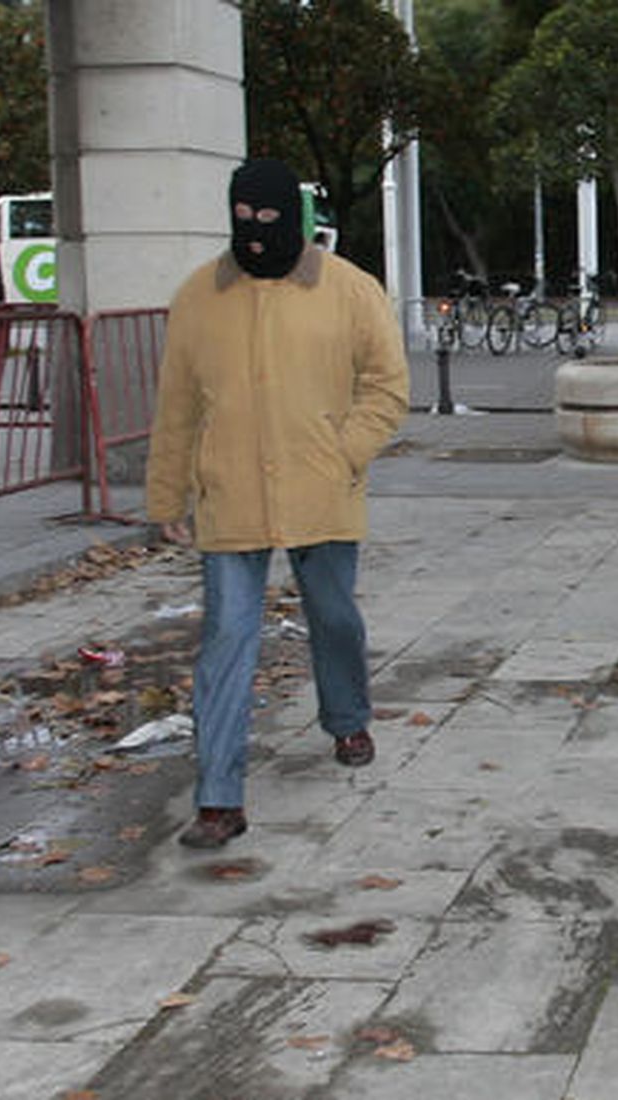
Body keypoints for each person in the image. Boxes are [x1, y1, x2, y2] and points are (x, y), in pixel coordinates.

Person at [146, 158, 409, 849]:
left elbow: (387, 386)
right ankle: (219, 799)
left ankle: (347, 716)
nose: (254, 233)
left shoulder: (349, 289)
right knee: (228, 640)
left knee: (334, 617)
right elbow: (175, 406)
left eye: (268, 220)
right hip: (230, 495)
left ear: (292, 219)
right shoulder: (199, 296)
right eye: (242, 220)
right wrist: (166, 492)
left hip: (321, 490)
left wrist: (343, 452)